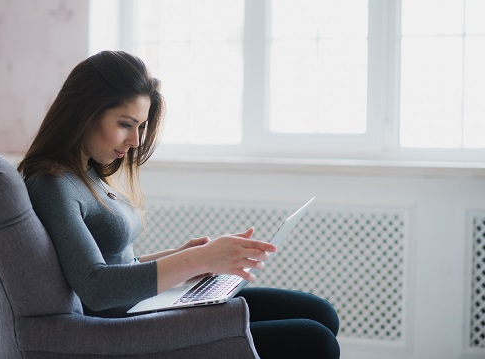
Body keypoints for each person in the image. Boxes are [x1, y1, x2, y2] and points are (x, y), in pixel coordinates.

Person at [18, 50, 340, 359]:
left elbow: (120, 264)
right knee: (316, 341)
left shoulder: (87, 172)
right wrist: (198, 259)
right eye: (126, 124)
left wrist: (187, 257)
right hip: (129, 330)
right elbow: (97, 288)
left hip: (143, 305)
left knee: (322, 313)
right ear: (85, 113)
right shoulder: (52, 184)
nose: (136, 142)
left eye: (140, 127)